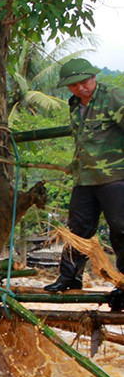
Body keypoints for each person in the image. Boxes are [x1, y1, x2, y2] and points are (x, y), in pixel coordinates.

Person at [44, 58, 124, 291]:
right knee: (77, 230)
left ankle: (123, 284)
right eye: (74, 84)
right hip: (84, 177)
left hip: (115, 176)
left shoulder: (113, 96)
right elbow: (82, 140)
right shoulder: (73, 104)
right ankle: (69, 277)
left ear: (94, 77)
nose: (80, 87)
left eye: (84, 81)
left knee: (120, 229)